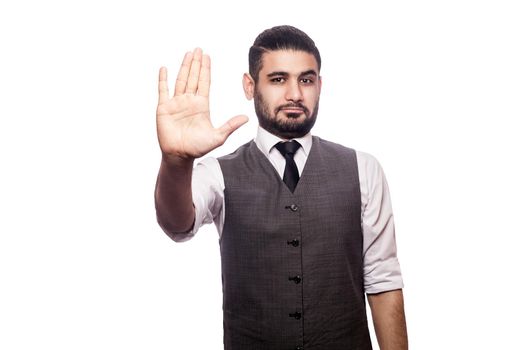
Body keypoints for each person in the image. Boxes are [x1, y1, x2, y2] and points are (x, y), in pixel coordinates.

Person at [155, 25, 408, 350]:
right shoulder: (218, 174)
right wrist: (176, 161)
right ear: (250, 86)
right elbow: (176, 223)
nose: (295, 94)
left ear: (320, 84)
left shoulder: (364, 169)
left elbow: (383, 279)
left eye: (306, 79)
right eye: (278, 79)